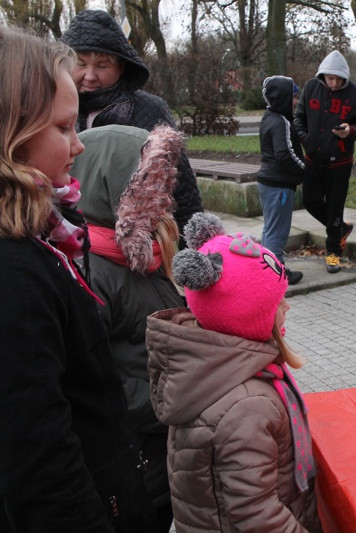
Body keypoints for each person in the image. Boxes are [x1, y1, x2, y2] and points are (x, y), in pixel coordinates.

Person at [0, 25, 156, 531]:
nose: (79, 147)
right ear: (11, 133)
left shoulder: (43, 239)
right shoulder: (15, 272)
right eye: (64, 129)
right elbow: (40, 463)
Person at [146, 212, 321, 532]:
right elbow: (256, 515)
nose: (288, 307)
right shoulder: (245, 406)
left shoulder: (220, 370)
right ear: (247, 317)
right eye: (279, 301)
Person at [71, 124, 186, 532]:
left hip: (159, 452)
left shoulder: (142, 253)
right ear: (115, 188)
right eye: (147, 185)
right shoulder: (93, 271)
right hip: (135, 458)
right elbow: (94, 383)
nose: (160, 198)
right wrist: (176, 397)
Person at [60, 9, 203, 239]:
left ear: (122, 66)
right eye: (81, 63)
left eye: (102, 65)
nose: (90, 75)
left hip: (135, 246)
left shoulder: (150, 109)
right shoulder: (53, 107)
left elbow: (182, 189)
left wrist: (196, 250)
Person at [293, 50, 356, 273]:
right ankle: (341, 230)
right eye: (330, 78)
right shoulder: (311, 87)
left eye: (339, 79)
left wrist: (351, 130)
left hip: (340, 163)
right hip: (313, 158)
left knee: (335, 208)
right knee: (310, 201)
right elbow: (298, 118)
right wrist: (306, 140)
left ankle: (333, 253)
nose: (335, 83)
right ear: (323, 76)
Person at [257, 75, 305, 285]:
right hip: (279, 187)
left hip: (267, 183)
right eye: (293, 97)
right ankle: (276, 276)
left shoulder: (268, 117)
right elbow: (284, 154)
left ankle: (267, 270)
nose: (296, 101)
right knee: (277, 233)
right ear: (283, 97)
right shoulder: (281, 122)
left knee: (270, 229)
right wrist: (305, 170)